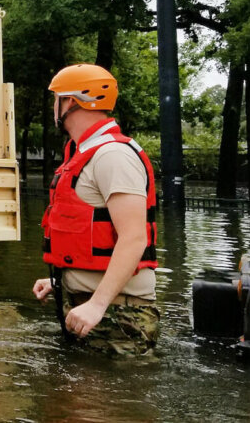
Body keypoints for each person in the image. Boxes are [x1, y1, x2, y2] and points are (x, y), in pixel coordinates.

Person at [31, 64, 160, 355]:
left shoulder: (112, 156)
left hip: (117, 316)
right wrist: (61, 278)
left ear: (71, 101)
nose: (54, 106)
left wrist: (97, 304)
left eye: (56, 98)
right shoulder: (86, 152)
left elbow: (134, 238)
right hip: (92, 308)